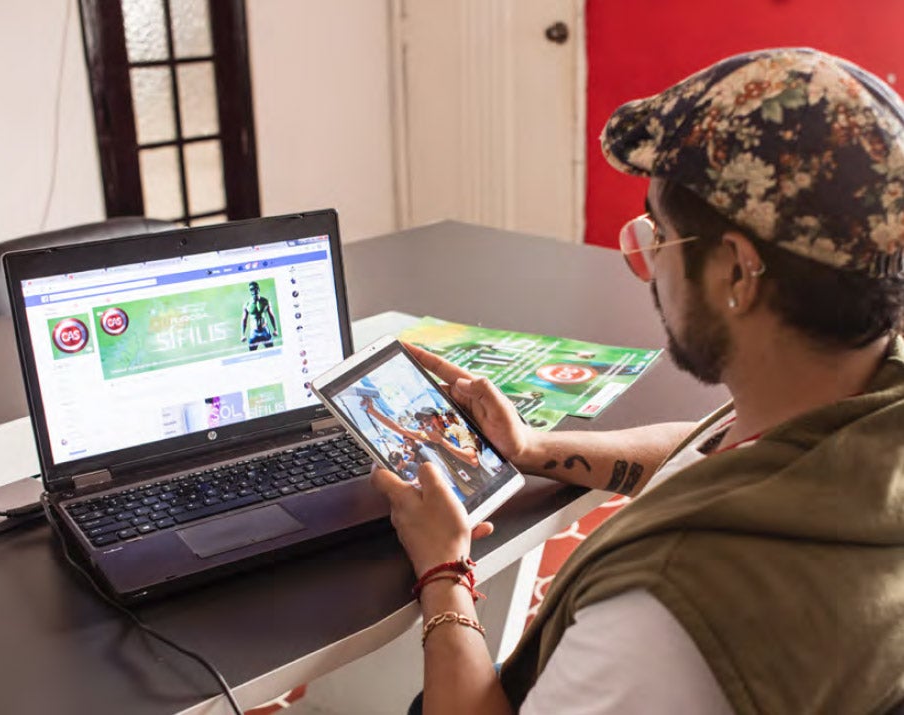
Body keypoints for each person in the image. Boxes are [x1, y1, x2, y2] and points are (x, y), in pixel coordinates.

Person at [370, 47, 904, 714]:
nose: (644, 262)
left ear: (737, 272)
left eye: (659, 235)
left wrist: (443, 571)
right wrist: (537, 448)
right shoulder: (866, 399)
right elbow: (710, 452)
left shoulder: (664, 616)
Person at [240, 280, 278, 350]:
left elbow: (271, 315)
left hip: (265, 331)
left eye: (255, 288)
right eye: (252, 289)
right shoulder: (247, 304)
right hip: (254, 332)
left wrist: (275, 329)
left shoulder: (265, 301)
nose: (254, 291)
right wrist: (242, 334)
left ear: (258, 289)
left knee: (271, 351)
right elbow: (244, 320)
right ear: (250, 291)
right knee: (253, 354)